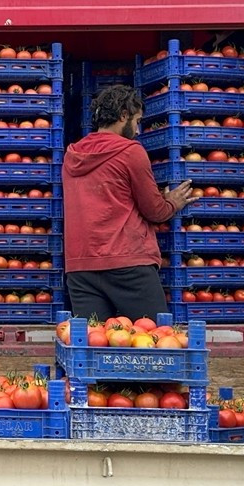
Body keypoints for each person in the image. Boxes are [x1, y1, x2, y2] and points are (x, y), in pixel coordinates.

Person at [63, 84, 196, 322]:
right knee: (153, 340)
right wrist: (173, 202)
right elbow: (154, 210)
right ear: (123, 115)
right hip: (128, 264)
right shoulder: (130, 151)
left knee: (95, 345)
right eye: (136, 121)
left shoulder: (72, 155)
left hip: (80, 267)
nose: (137, 130)